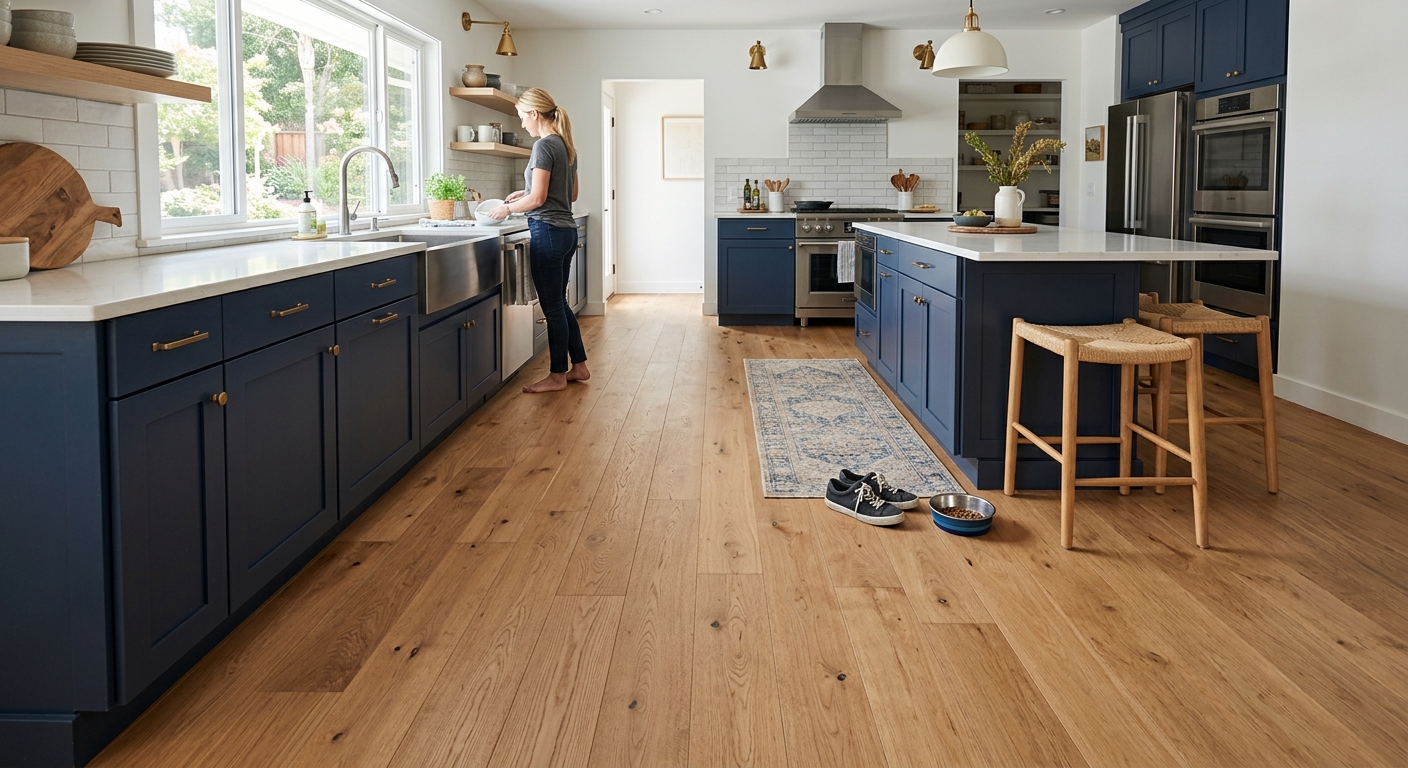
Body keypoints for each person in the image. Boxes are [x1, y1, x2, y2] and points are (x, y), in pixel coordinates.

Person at [489, 88, 589, 393]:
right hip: (566, 232)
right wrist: (527, 191)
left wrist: (507, 207)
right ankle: (579, 366)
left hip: (548, 232)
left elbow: (541, 198)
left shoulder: (544, 146)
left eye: (522, 117)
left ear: (534, 114)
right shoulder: (566, 146)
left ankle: (557, 376)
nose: (522, 124)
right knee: (560, 303)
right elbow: (570, 195)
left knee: (553, 306)